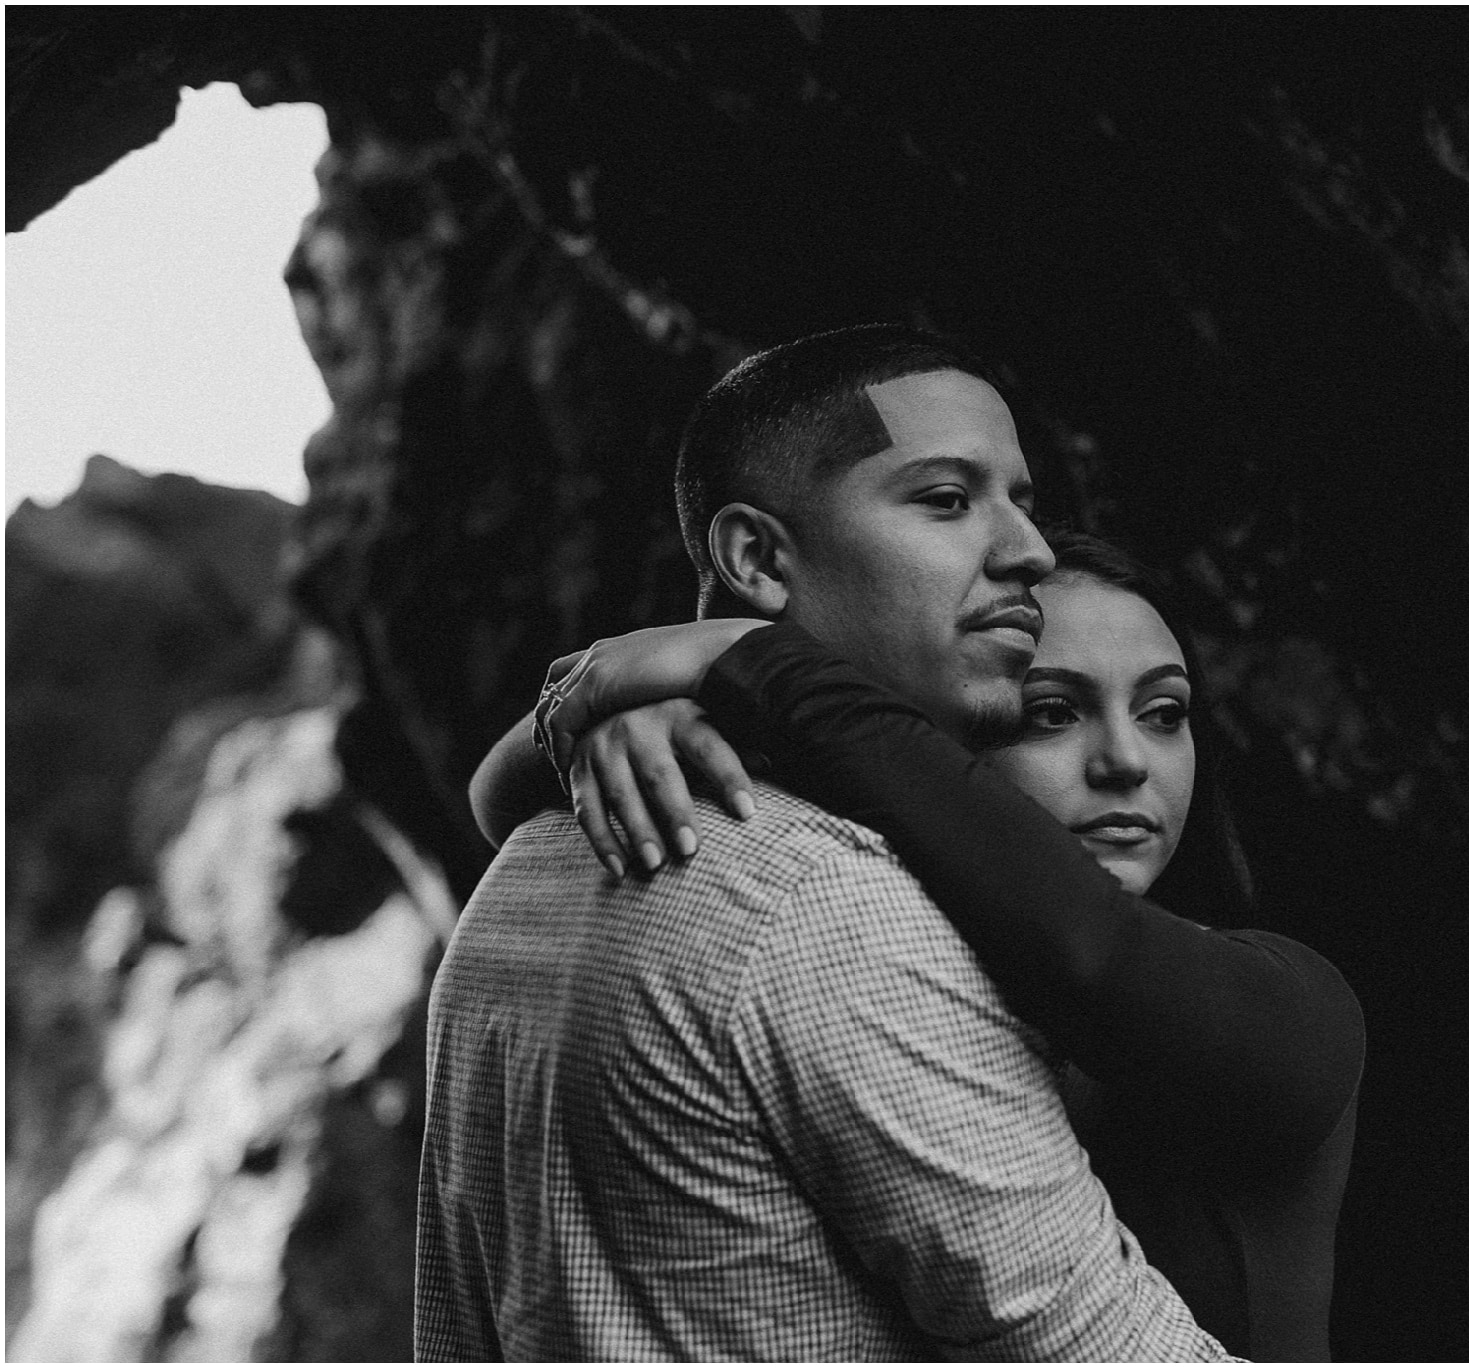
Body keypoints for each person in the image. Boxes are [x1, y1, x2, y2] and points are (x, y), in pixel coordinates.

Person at [415, 325, 1236, 1360]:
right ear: (757, 558)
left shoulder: (527, 866)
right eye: (945, 499)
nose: (1027, 549)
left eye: (1020, 499)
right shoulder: (830, 911)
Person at [479, 529, 1365, 1359]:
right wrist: (606, 721)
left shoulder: (1291, 1004)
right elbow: (496, 805)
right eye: (1051, 713)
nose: (1128, 761)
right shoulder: (880, 979)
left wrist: (738, 659)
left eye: (1166, 712)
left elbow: (1094, 955)